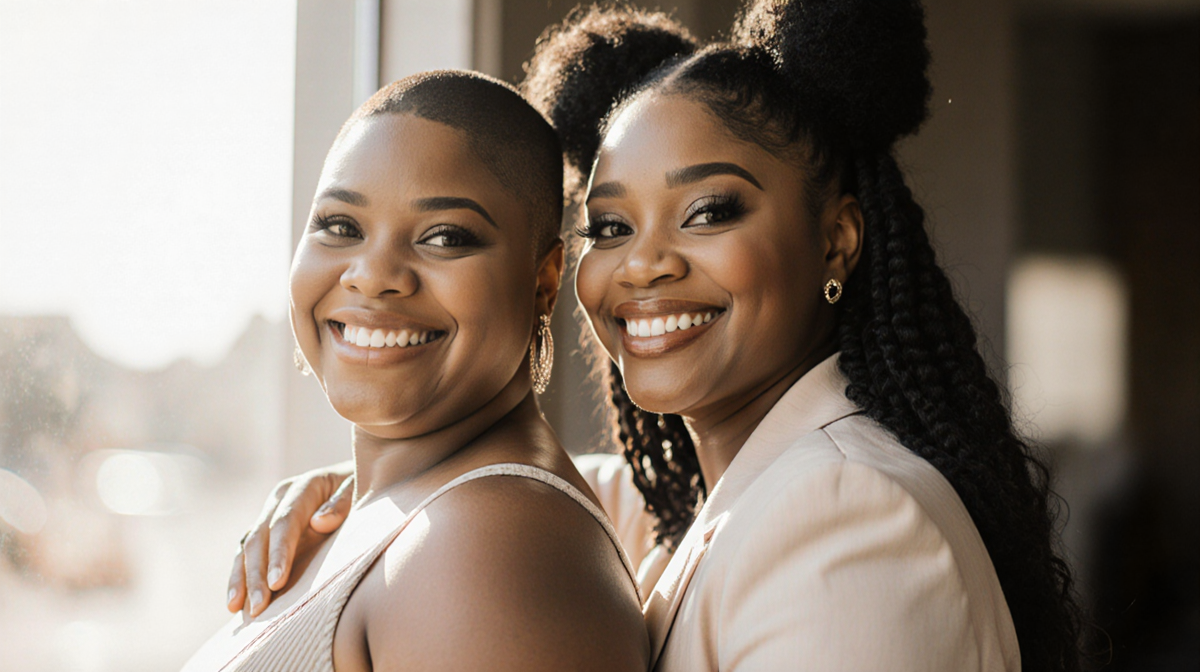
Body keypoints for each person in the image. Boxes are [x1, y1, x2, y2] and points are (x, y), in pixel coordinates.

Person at [230, 2, 1083, 670]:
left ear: (837, 241)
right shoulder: (715, 493)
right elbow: (519, 487)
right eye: (610, 227)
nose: (644, 266)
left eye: (709, 212)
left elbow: (502, 528)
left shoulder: (843, 511)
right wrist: (348, 490)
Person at [183, 70, 648, 672]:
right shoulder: (403, 512)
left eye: (445, 237)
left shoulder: (483, 550)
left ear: (544, 281)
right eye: (340, 226)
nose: (373, 275)